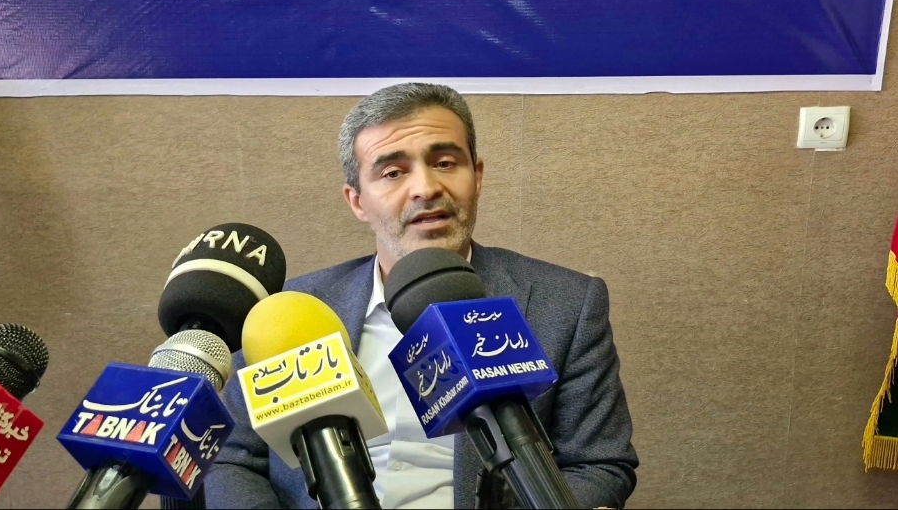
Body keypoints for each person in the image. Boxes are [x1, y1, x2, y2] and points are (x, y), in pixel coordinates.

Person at [207, 83, 638, 509]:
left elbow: (599, 464)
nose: (426, 188)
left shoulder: (566, 302)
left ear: (477, 177)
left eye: (445, 163)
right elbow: (232, 459)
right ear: (357, 201)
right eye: (393, 173)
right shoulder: (289, 314)